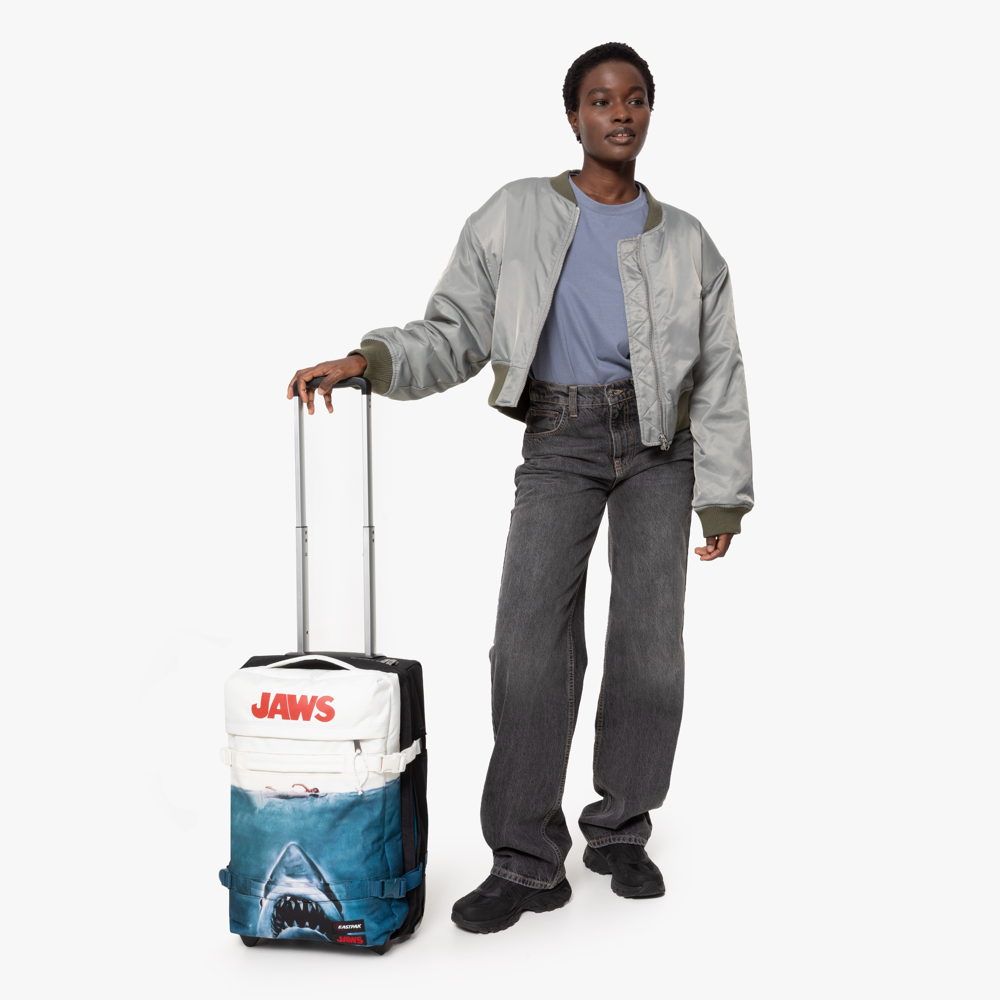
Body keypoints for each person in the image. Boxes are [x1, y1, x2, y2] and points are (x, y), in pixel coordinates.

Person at [287, 41, 754, 935]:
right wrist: (367, 360)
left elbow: (721, 370)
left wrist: (724, 493)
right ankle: (526, 860)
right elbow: (454, 331)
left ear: (650, 112)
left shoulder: (689, 241)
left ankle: (620, 830)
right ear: (573, 116)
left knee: (650, 647)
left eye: (635, 99)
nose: (619, 113)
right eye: (601, 100)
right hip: (560, 438)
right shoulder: (514, 213)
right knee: (527, 646)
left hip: (661, 448)